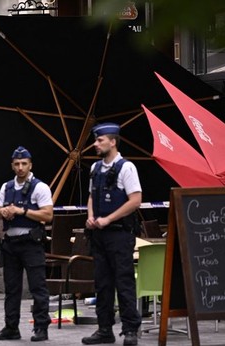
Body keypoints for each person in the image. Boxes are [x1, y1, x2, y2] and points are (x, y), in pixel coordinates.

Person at [82, 123, 142, 346]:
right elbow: (91, 196)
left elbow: (135, 200)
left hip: (119, 234)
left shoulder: (126, 168)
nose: (95, 144)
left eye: (100, 140)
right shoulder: (95, 169)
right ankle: (104, 329)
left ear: (113, 142)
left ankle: (130, 330)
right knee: (102, 283)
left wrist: (108, 219)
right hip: (98, 235)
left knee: (124, 282)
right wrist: (90, 216)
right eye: (96, 140)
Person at [0, 146, 53, 342]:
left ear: (30, 165)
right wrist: (5, 212)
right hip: (10, 244)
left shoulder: (40, 187)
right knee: (12, 289)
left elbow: (48, 215)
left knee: (37, 287)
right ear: (12, 165)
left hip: (31, 243)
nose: (20, 167)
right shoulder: (6, 187)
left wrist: (22, 212)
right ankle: (11, 327)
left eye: (24, 164)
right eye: (16, 164)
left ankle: (41, 327)